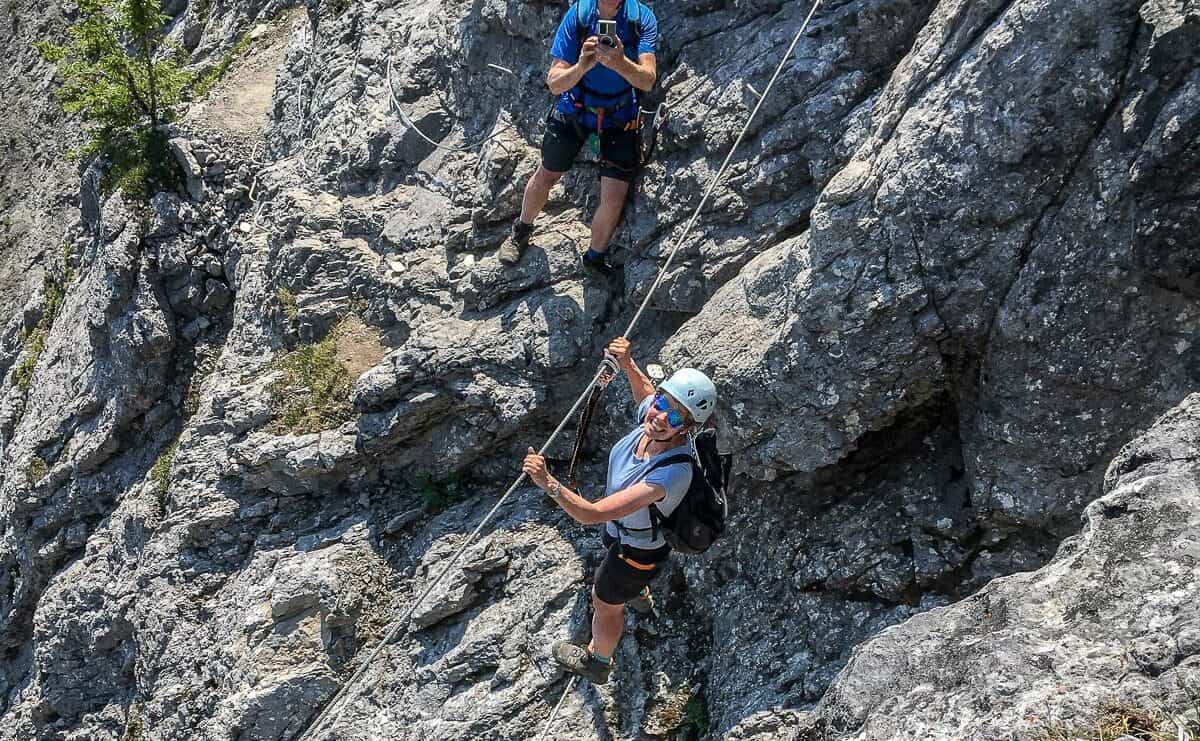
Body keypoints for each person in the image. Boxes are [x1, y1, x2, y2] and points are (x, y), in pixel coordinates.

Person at [521, 337, 717, 684]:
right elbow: (645, 393)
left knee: (605, 603)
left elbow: (591, 514)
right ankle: (638, 593)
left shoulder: (671, 473)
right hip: (625, 536)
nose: (659, 416)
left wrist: (548, 482)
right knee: (619, 576)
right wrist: (627, 363)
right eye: (662, 402)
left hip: (636, 551)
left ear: (686, 429)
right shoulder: (653, 421)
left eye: (674, 416)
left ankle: (598, 662)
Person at [497, 0, 659, 275]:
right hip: (576, 109)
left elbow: (647, 79)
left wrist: (619, 63)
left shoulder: (640, 18)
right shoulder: (580, 16)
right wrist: (582, 66)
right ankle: (520, 231)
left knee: (614, 197)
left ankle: (594, 258)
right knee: (547, 174)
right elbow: (554, 82)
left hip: (619, 117)